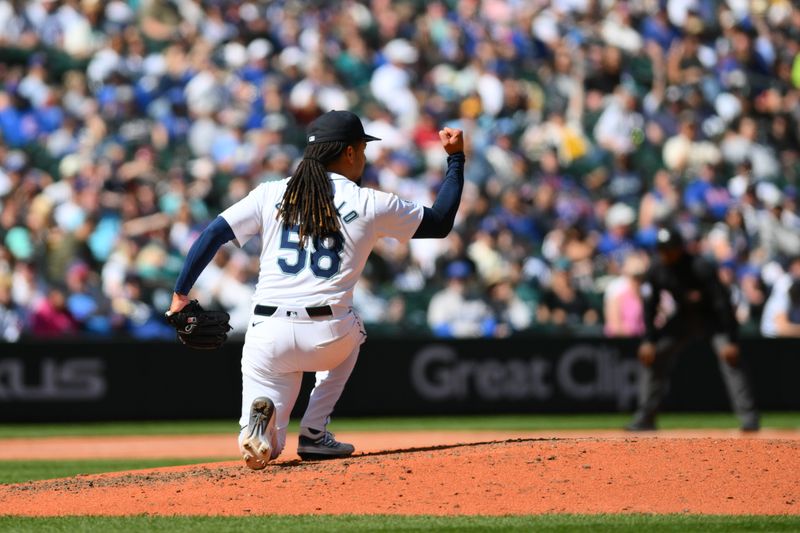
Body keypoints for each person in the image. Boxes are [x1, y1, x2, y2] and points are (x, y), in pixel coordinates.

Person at [166, 110, 466, 469]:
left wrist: (181, 294)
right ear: (350, 153)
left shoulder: (270, 193)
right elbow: (441, 222)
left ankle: (258, 427)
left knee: (268, 451)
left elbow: (213, 233)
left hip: (266, 333)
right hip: (328, 335)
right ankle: (313, 431)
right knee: (355, 329)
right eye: (362, 149)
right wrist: (455, 158)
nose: (365, 157)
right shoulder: (368, 202)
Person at [626, 227, 760, 432]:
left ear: (680, 248)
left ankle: (749, 418)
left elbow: (722, 303)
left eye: (670, 249)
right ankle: (645, 417)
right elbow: (649, 306)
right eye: (662, 249)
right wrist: (649, 341)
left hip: (713, 318)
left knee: (731, 359)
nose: (666, 253)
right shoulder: (657, 268)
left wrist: (732, 340)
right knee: (654, 356)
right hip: (683, 317)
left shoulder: (700, 266)